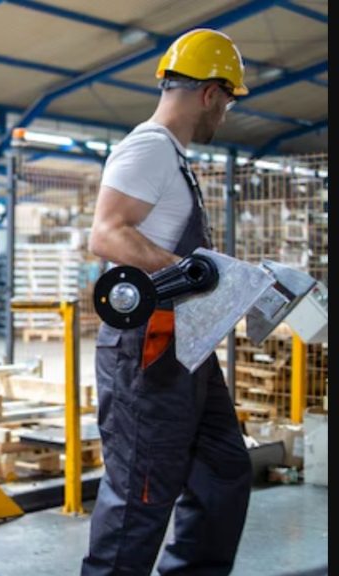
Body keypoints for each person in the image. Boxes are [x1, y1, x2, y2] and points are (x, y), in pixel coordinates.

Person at [82, 29, 252, 575]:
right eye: (226, 101)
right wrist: (189, 272)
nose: (224, 113)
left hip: (186, 345)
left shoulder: (172, 158)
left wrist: (226, 278)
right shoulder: (149, 148)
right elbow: (107, 233)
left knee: (222, 468)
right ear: (209, 93)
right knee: (142, 490)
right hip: (148, 349)